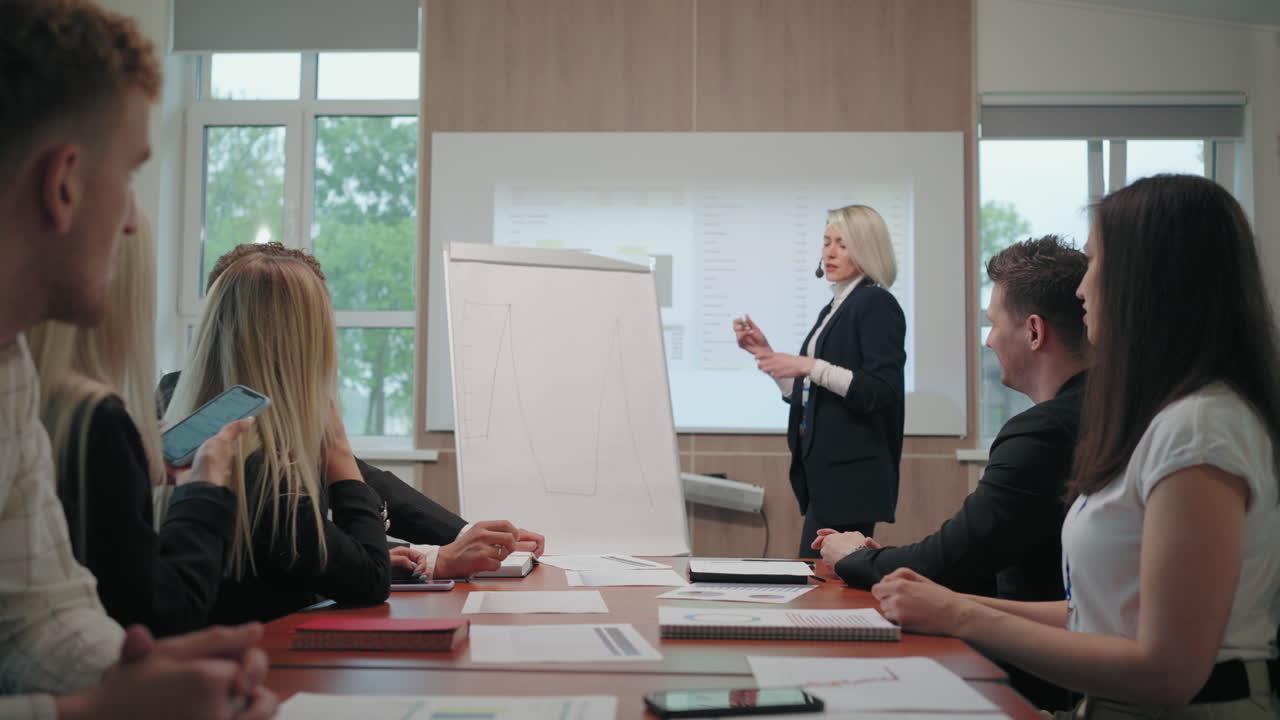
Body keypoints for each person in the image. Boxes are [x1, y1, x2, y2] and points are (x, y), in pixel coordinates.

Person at [873, 175, 1280, 717]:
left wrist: (959, 615)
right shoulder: (1168, 418)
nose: (1082, 289)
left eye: (1094, 262)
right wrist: (950, 603)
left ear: (1149, 279)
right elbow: (1096, 615)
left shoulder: (1200, 425)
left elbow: (1167, 670)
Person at [0, 1, 274, 717]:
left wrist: (141, 672)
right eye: (129, 176)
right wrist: (96, 709)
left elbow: (41, 616)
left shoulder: (12, 371)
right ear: (63, 183)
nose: (129, 222)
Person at [157, 242, 546, 581]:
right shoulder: (235, 439)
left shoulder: (235, 420)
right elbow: (356, 572)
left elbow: (363, 492)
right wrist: (432, 558)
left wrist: (462, 535)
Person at [815, 235, 1088, 711]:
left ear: (1034, 332)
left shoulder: (1044, 432)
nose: (988, 340)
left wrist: (853, 555)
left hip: (1039, 687)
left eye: (992, 324)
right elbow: (974, 556)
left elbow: (952, 559)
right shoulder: (1094, 412)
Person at [29, 209, 237, 637]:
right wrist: (204, 489)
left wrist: (132, 471)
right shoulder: (97, 420)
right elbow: (155, 614)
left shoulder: (32, 400)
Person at [733, 205, 905, 557]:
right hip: (826, 477)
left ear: (868, 248)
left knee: (826, 587)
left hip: (851, 479)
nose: (829, 252)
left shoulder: (874, 303)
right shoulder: (836, 307)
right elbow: (813, 392)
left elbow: (880, 391)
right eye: (826, 241)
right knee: (822, 583)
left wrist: (809, 365)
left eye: (842, 243)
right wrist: (765, 354)